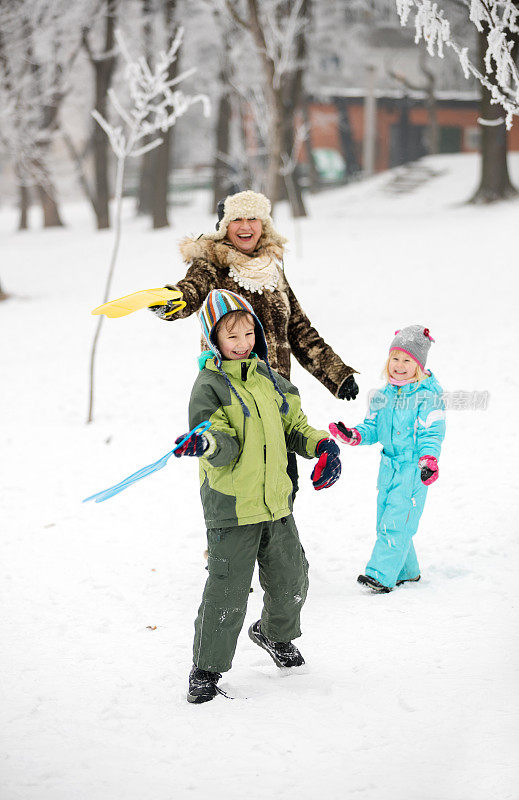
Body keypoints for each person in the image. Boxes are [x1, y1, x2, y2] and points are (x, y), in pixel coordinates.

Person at [174, 288, 341, 703]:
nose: (243, 343)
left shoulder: (269, 379)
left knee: (292, 581)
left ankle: (272, 635)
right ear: (213, 340)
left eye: (249, 332)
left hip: (276, 504)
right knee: (227, 592)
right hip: (233, 508)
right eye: (232, 336)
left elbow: (295, 427)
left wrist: (322, 446)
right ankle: (206, 669)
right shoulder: (210, 386)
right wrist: (206, 444)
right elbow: (222, 442)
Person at [150, 189, 358, 497]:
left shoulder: (271, 267)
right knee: (238, 479)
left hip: (275, 393)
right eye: (237, 219)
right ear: (224, 225)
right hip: (232, 394)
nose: (245, 226)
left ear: (264, 224)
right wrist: (172, 300)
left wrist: (337, 374)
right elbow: (191, 290)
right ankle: (230, 546)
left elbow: (299, 327)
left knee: (282, 483)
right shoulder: (212, 265)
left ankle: (279, 545)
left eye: (253, 218)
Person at [330, 325, 445, 593]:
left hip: (413, 469)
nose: (399, 365)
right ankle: (407, 571)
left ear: (418, 365)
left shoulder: (427, 396)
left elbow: (432, 432)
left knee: (395, 522)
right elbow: (372, 427)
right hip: (389, 467)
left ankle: (381, 574)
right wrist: (354, 435)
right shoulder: (383, 395)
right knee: (389, 519)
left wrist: (429, 459)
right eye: (395, 358)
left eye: (407, 360)